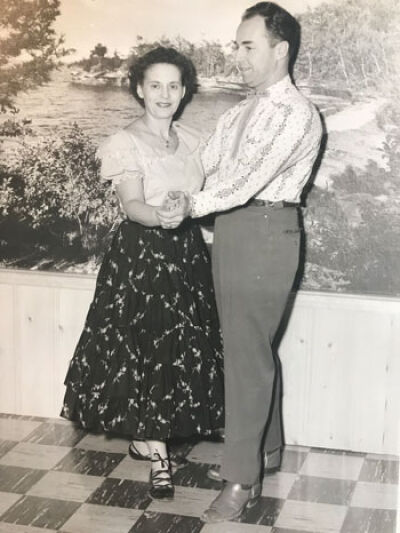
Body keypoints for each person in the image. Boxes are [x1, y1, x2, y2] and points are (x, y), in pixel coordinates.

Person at [158, 2, 322, 522]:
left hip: (267, 231)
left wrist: (192, 205)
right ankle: (264, 451)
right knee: (248, 348)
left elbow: (245, 180)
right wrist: (168, 188)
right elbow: (204, 163)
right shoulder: (237, 111)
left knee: (246, 355)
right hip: (231, 231)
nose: (237, 56)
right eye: (235, 45)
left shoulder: (296, 113)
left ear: (281, 51)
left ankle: (240, 478)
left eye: (247, 46)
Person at [61, 47, 224, 501]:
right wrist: (165, 216)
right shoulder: (124, 142)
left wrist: (187, 214)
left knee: (179, 347)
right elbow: (132, 206)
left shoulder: (193, 140)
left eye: (174, 85)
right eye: (155, 85)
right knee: (147, 347)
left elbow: (204, 198)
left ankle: (147, 439)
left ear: (185, 90)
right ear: (139, 89)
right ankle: (159, 457)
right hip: (143, 256)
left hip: (187, 255)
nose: (165, 94)